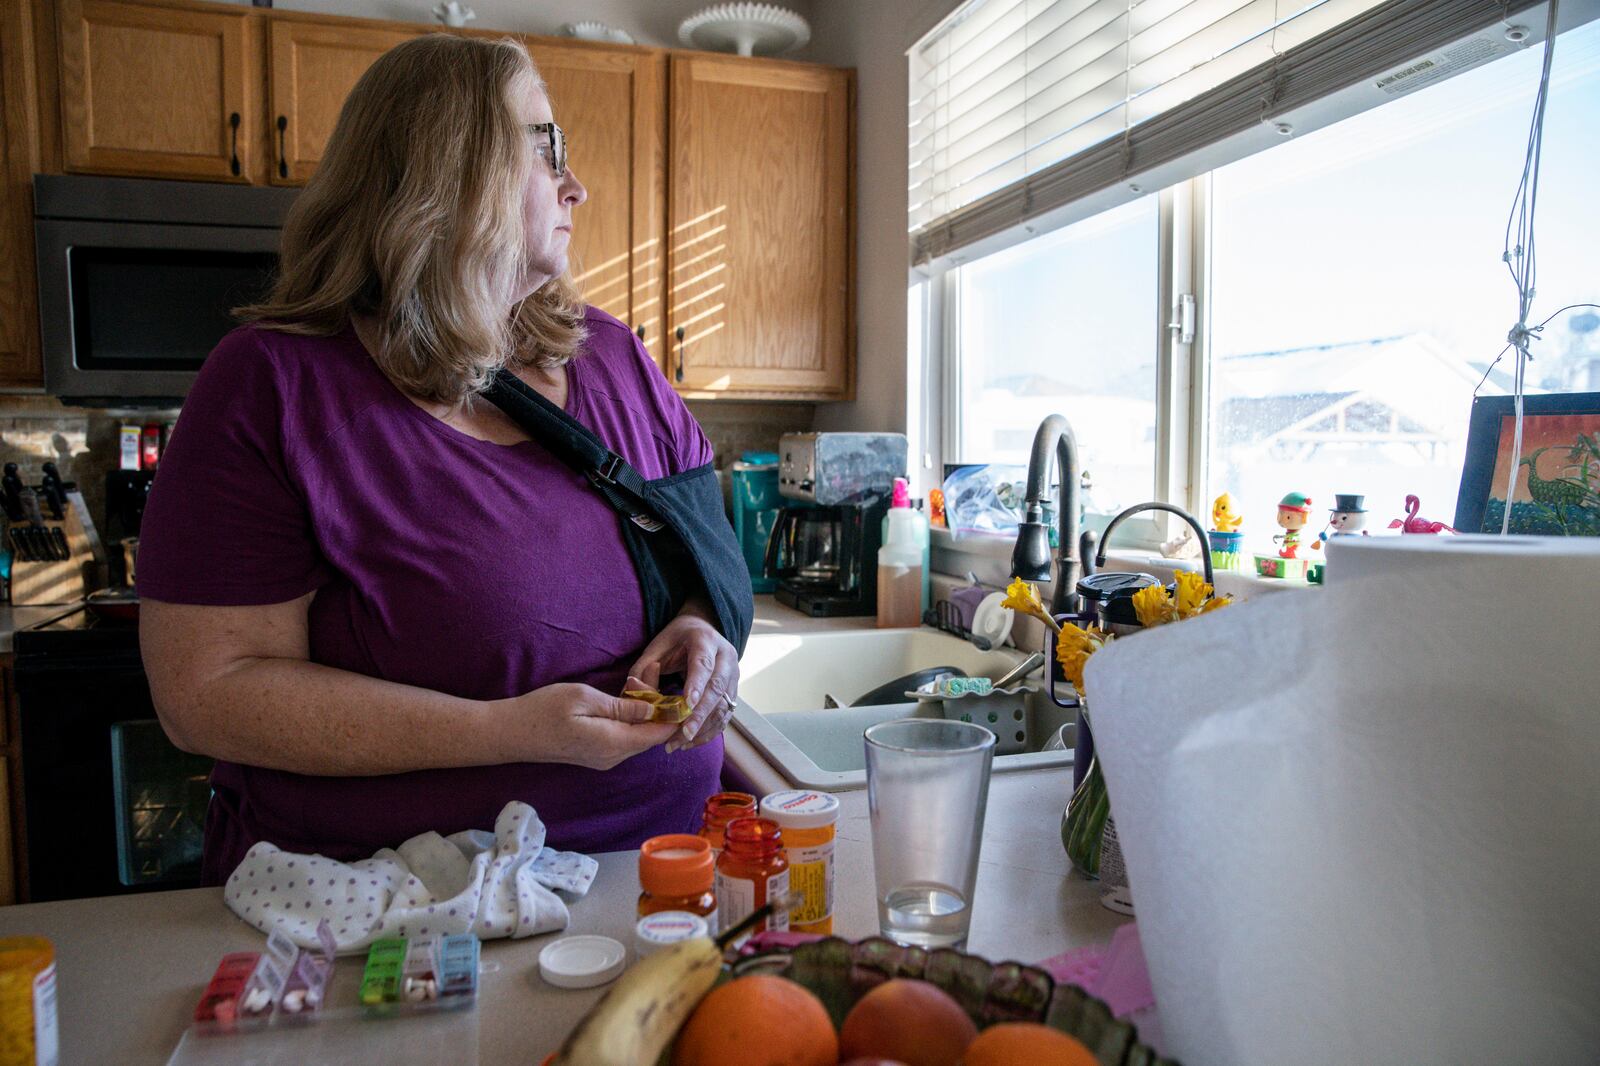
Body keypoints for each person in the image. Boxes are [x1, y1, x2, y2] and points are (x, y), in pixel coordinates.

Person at [136, 33, 750, 885]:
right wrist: (512, 732)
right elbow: (208, 693)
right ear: (448, 175)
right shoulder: (273, 387)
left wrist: (700, 625)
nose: (578, 186)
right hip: (382, 924)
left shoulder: (614, 357)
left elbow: (706, 554)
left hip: (655, 885)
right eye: (545, 151)